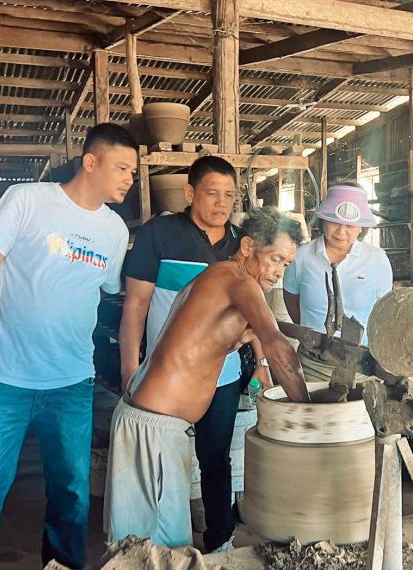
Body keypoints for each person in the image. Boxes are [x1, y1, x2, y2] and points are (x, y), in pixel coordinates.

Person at [0, 123, 137, 570]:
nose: (130, 178)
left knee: (72, 497)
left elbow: (111, 291)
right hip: (3, 379)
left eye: (134, 170)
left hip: (72, 383)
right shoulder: (26, 200)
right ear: (90, 162)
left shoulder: (114, 231)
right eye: (122, 168)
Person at [105, 207, 310, 549]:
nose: (279, 272)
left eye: (286, 264)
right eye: (276, 259)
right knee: (152, 548)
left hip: (154, 423)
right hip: (152, 426)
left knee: (152, 546)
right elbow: (278, 347)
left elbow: (217, 339)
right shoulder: (237, 281)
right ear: (247, 247)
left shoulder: (219, 278)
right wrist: (308, 417)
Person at [119, 155, 267, 554]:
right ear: (190, 193)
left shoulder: (242, 244)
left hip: (223, 373)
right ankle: (161, 544)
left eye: (230, 196)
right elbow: (135, 304)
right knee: (167, 457)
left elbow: (252, 312)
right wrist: (130, 367)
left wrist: (262, 363)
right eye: (212, 193)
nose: (222, 203)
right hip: (169, 376)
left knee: (216, 456)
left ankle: (220, 541)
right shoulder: (160, 234)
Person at [283, 184, 393, 381]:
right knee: (313, 410)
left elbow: (384, 310)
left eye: (350, 225)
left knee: (358, 411)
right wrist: (311, 333)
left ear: (361, 227)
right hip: (312, 363)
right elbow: (291, 298)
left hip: (362, 363)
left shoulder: (377, 259)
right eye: (334, 222)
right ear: (323, 220)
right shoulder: (301, 257)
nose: (342, 232)